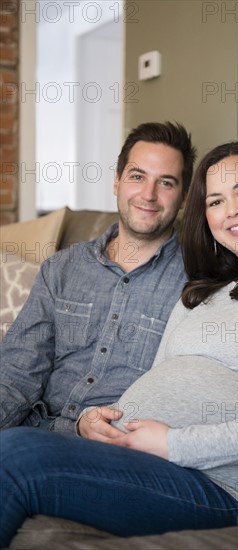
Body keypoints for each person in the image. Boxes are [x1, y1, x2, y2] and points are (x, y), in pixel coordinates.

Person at [0, 141, 238, 546]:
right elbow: (156, 379)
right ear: (206, 217)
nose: (232, 209)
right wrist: (94, 422)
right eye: (216, 201)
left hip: (218, 481)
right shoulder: (200, 293)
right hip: (134, 456)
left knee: (15, 455)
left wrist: (173, 443)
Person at [0, 121, 197, 434]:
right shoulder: (61, 269)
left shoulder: (197, 283)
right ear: (117, 182)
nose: (148, 194)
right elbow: (16, 375)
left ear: (184, 197)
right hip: (33, 431)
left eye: (166, 183)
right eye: (137, 176)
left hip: (110, 448)